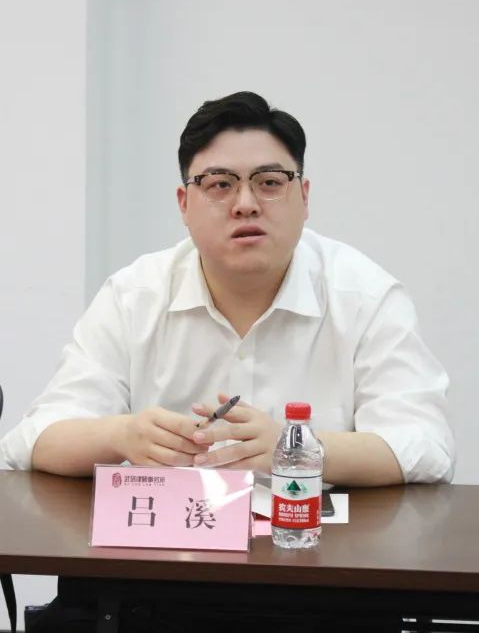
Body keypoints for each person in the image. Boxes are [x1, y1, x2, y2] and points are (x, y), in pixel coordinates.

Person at [0, 92, 454, 485]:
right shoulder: (133, 296)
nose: (246, 204)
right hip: (167, 551)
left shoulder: (365, 297)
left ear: (304, 197)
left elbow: (427, 447)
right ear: (184, 204)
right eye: (220, 184)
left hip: (318, 545)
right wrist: (120, 435)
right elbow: (33, 441)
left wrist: (296, 447)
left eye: (269, 183)